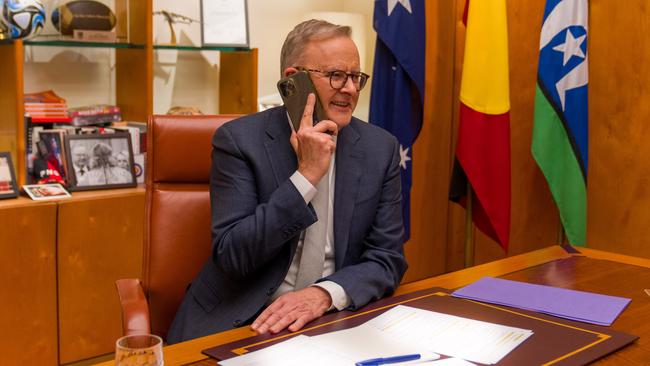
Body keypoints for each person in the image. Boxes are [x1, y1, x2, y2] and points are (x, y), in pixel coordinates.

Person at [167, 19, 407, 343]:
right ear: (294, 80)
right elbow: (233, 256)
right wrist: (306, 177)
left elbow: (387, 258)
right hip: (241, 320)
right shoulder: (238, 142)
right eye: (336, 75)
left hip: (330, 321)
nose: (350, 89)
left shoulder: (381, 149)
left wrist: (323, 295)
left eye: (356, 77)